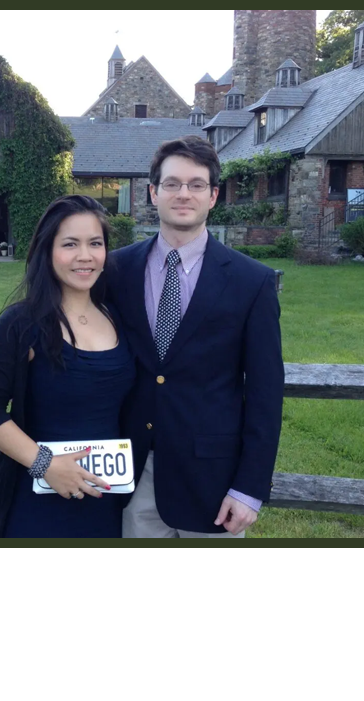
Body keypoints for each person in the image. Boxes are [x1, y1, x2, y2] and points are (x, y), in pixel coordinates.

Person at [109, 135, 284, 537]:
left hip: (215, 482)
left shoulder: (251, 282)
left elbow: (265, 392)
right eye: (171, 183)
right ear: (153, 193)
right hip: (135, 474)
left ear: (213, 195)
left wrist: (250, 489)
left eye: (196, 184)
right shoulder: (117, 271)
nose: (183, 193)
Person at [0, 195, 136, 538]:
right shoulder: (21, 324)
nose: (85, 256)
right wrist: (46, 465)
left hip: (109, 501)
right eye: (70, 244)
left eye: (95, 244)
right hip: (41, 499)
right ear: (47, 251)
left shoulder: (118, 317)